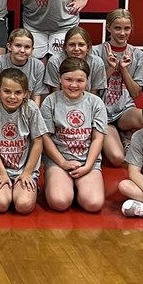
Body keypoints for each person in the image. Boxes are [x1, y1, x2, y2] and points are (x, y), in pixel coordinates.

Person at [40, 57, 107, 213]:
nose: (73, 85)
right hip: (59, 160)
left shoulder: (96, 103)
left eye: (79, 80)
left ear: (87, 80)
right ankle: (59, 184)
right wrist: (63, 163)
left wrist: (88, 166)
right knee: (59, 202)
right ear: (59, 78)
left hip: (86, 160)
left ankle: (80, 187)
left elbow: (98, 139)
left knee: (94, 204)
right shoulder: (50, 101)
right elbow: (45, 137)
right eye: (68, 79)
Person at [0, 67, 46, 216]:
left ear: (26, 93)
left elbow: (38, 142)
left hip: (24, 168)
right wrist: (1, 172)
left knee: (23, 206)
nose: (12, 97)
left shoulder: (31, 108)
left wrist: (28, 172)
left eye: (18, 92)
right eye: (7, 91)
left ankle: (27, 187)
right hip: (0, 167)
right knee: (0, 205)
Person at [95, 8, 143, 167]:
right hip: (102, 113)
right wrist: (111, 69)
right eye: (117, 28)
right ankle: (119, 137)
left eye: (127, 28)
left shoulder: (137, 54)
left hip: (125, 111)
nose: (122, 33)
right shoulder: (96, 52)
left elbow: (135, 93)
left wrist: (123, 70)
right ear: (108, 28)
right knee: (117, 159)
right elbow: (91, 90)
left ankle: (129, 135)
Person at [0, 27, 48, 105]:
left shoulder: (38, 66)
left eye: (27, 47)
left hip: (26, 107)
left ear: (32, 50)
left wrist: (34, 112)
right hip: (3, 106)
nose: (22, 50)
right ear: (9, 46)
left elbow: (36, 96)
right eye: (18, 46)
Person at [45, 27, 107, 96]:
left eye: (81, 45)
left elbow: (94, 92)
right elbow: (55, 93)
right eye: (72, 45)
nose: (76, 49)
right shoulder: (55, 62)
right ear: (65, 47)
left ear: (88, 47)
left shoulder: (97, 63)